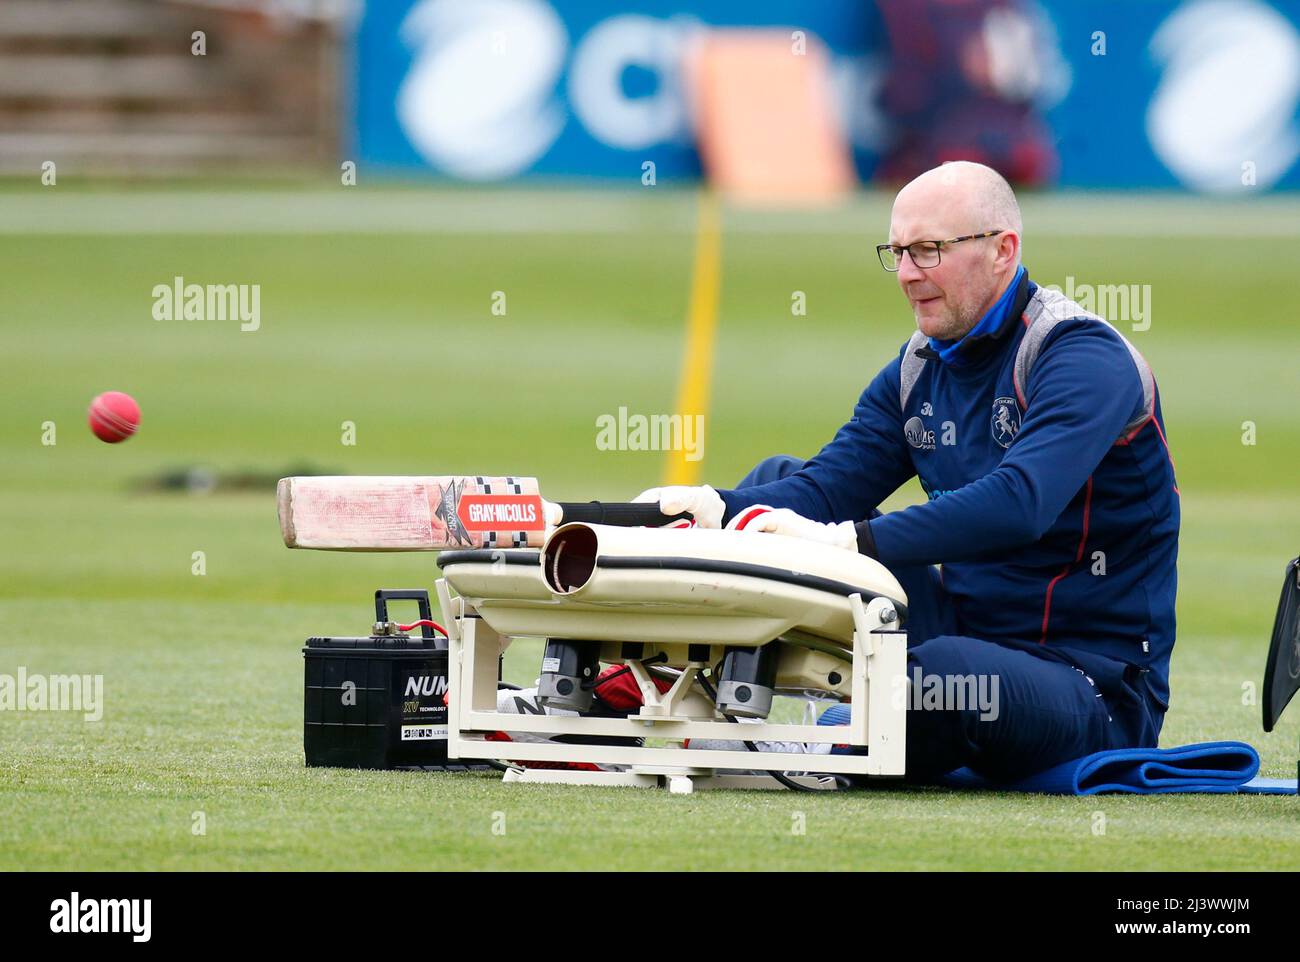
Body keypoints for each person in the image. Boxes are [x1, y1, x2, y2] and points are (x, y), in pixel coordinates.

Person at [636, 161, 1179, 783]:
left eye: (928, 251)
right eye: (896, 252)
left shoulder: (1083, 356)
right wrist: (710, 508)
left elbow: (1020, 504)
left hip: (1086, 686)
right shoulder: (919, 366)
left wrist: (847, 541)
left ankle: (794, 747)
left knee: (944, 678)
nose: (906, 274)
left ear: (1003, 250)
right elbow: (824, 488)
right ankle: (656, 688)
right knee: (770, 492)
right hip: (955, 632)